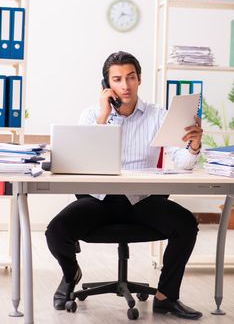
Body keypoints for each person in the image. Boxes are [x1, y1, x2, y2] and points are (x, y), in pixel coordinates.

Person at [46, 51, 203, 320]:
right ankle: (71, 273)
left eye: (131, 77)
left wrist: (194, 143)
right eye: (117, 79)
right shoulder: (91, 115)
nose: (125, 85)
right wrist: (104, 116)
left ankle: (166, 297)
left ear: (139, 79)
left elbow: (183, 163)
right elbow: (80, 160)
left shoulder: (158, 116)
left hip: (141, 201)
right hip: (98, 201)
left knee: (186, 225)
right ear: (107, 85)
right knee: (56, 231)